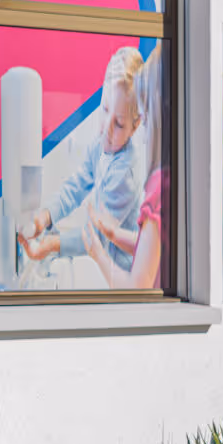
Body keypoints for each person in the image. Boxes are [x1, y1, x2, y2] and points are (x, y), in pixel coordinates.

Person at [18, 45, 145, 275]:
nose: (106, 128)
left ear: (135, 126)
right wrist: (45, 217)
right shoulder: (101, 144)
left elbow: (98, 235)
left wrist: (51, 245)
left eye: (118, 123)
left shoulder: (126, 172)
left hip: (127, 279)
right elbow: (75, 187)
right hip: (109, 268)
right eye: (104, 109)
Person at [85, 47, 167, 289]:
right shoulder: (174, 181)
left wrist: (99, 254)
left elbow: (138, 286)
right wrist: (114, 234)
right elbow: (151, 250)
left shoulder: (158, 188)